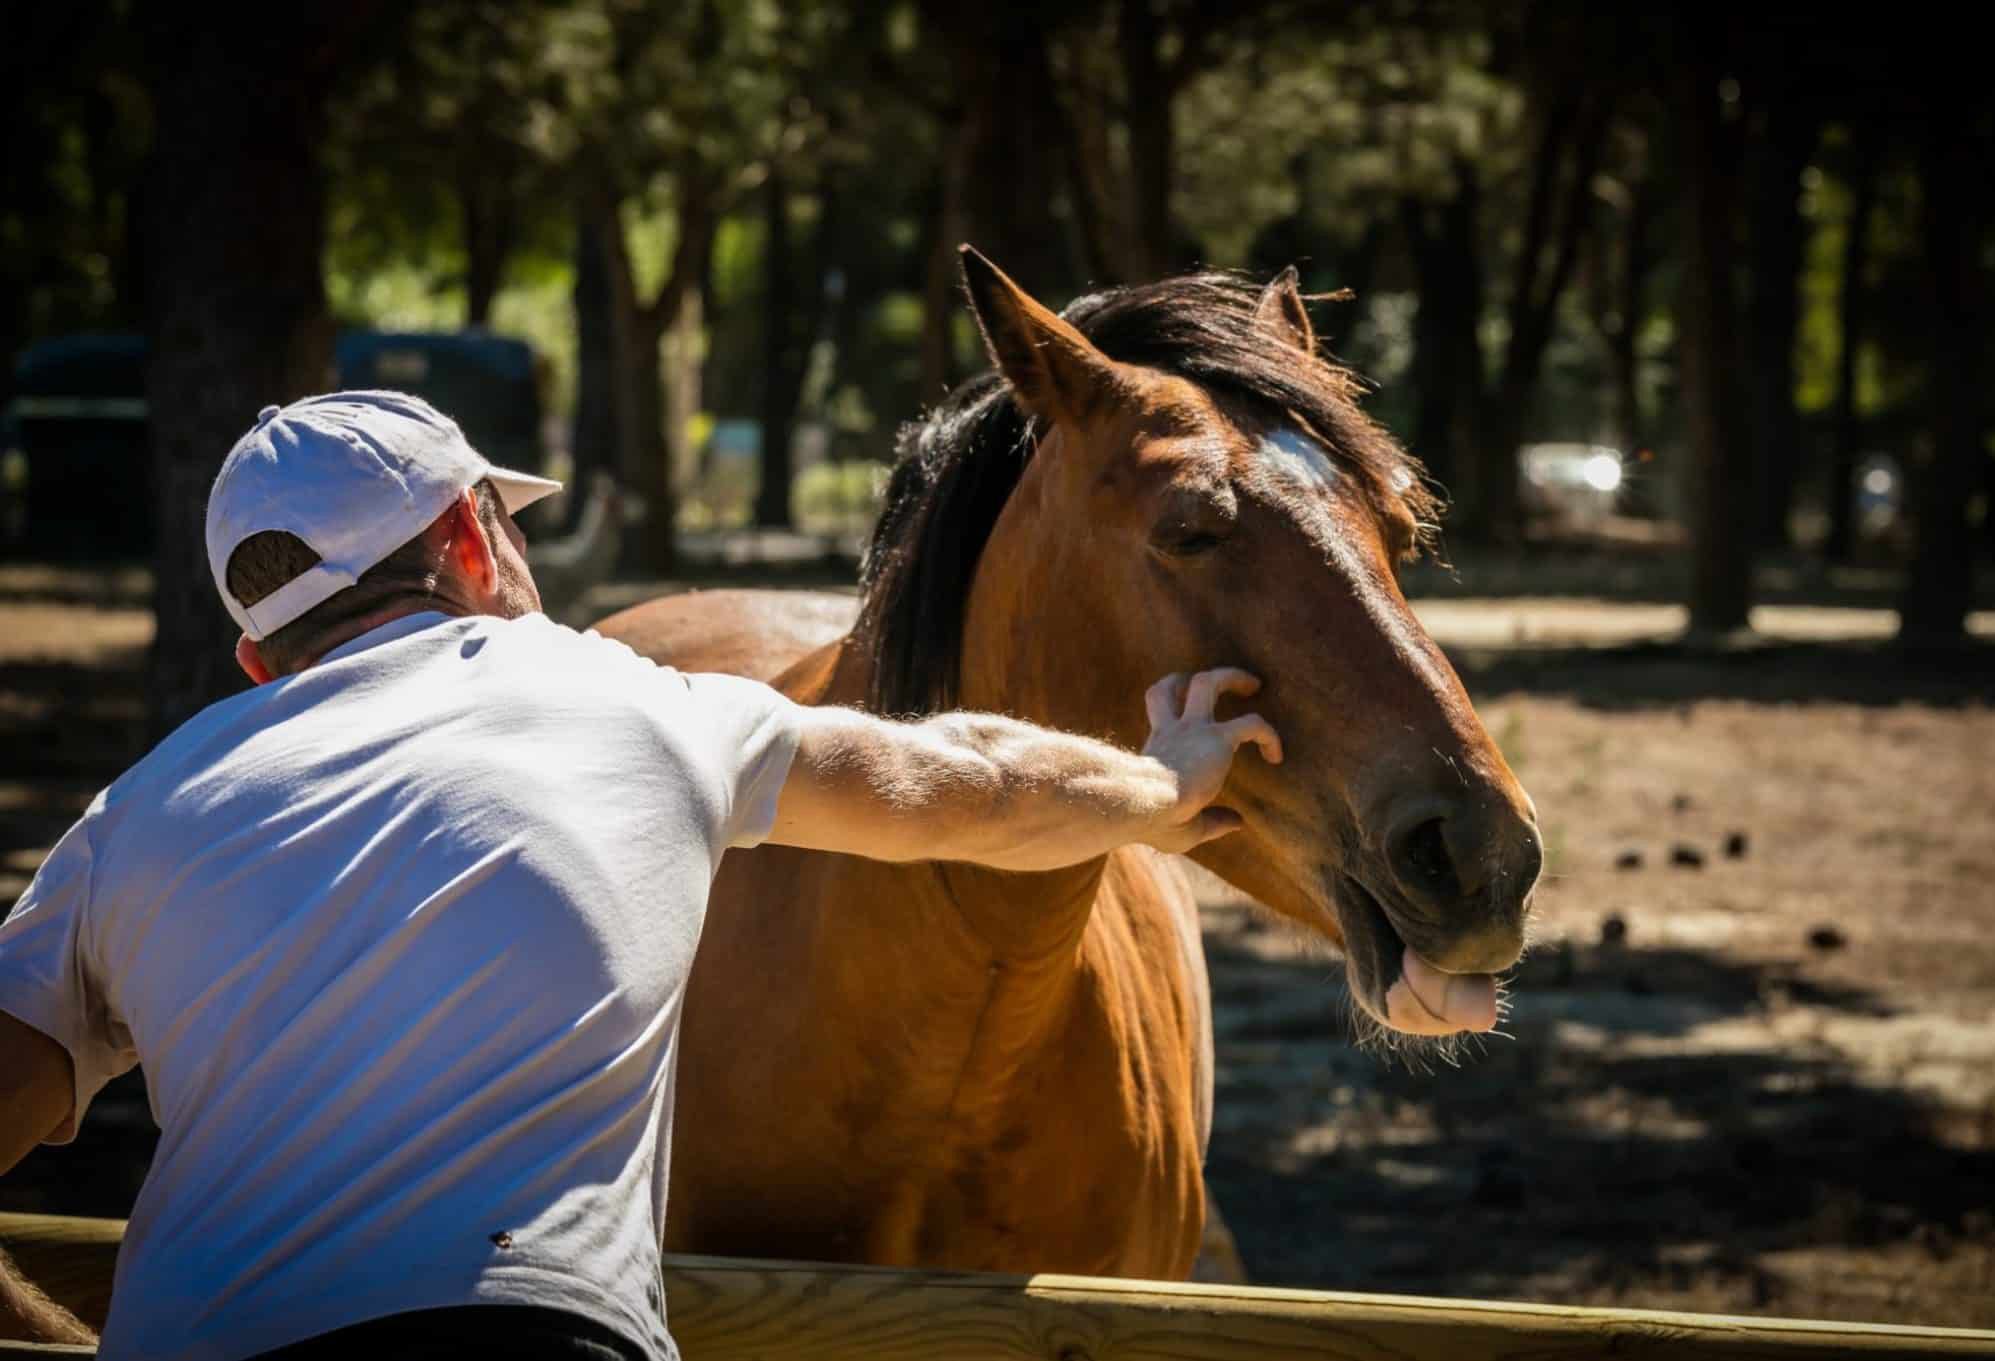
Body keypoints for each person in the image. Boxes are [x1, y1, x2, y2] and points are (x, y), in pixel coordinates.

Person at [0, 392, 1281, 1360]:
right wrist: (1164, 784)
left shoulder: (137, 810)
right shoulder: (629, 706)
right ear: (470, 535)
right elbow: (974, 781)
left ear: (256, 655)